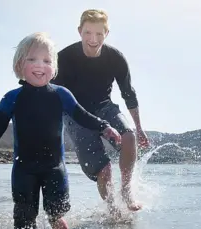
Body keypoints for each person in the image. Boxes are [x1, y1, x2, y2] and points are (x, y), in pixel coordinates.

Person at [0, 32, 121, 229]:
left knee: (58, 206)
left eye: (47, 61)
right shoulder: (12, 98)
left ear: (54, 68)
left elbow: (81, 115)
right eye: (32, 59)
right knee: (23, 221)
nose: (40, 65)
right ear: (19, 65)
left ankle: (54, 218)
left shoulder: (61, 94)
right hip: (23, 170)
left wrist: (104, 126)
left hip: (54, 167)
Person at [52, 9, 150, 214]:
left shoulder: (115, 58)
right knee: (104, 170)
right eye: (88, 33)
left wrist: (139, 128)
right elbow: (49, 93)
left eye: (99, 33)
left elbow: (128, 94)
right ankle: (113, 210)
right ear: (80, 31)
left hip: (104, 106)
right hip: (75, 112)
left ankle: (126, 191)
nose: (93, 39)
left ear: (106, 33)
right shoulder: (64, 58)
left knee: (129, 136)